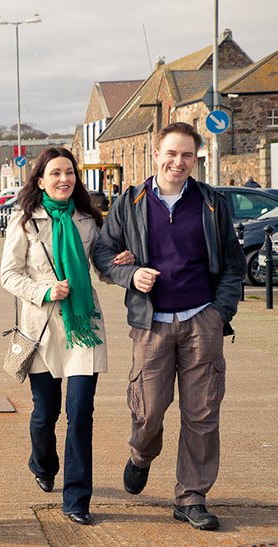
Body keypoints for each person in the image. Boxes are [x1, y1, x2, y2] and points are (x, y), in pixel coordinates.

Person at [94, 122, 246, 531]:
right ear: (156, 153)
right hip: (151, 325)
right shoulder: (131, 202)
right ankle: (141, 455)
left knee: (202, 413)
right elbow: (103, 253)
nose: (178, 162)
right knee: (149, 410)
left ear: (195, 159)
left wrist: (219, 314)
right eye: (171, 153)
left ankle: (191, 497)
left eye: (187, 155)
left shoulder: (212, 203)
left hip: (202, 322)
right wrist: (130, 276)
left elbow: (234, 267)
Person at [0, 147, 133, 526]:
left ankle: (77, 498)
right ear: (40, 180)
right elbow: (8, 275)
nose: (64, 179)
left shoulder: (88, 220)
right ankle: (42, 462)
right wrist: (43, 291)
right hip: (41, 329)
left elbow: (99, 269)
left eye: (69, 173)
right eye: (55, 173)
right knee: (46, 413)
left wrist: (118, 263)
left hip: (82, 328)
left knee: (80, 413)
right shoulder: (25, 222)